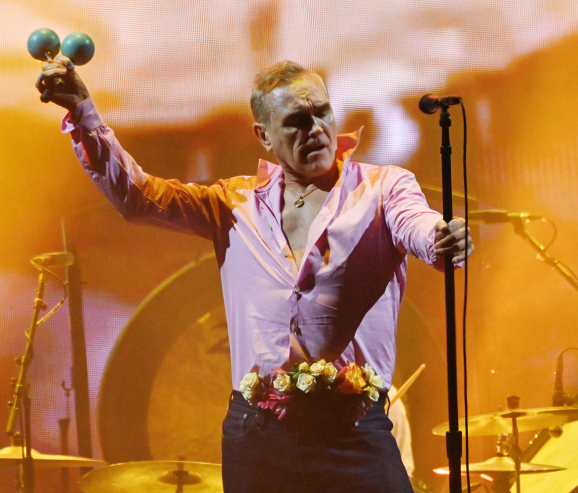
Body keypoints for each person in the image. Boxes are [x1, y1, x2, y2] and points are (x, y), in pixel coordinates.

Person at [37, 58, 473, 493]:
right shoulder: (233, 203)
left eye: (322, 112)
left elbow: (415, 223)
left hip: (353, 431)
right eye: (296, 121)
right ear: (264, 136)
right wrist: (82, 113)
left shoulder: (383, 188)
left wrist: (438, 237)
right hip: (260, 436)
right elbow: (138, 196)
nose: (315, 129)